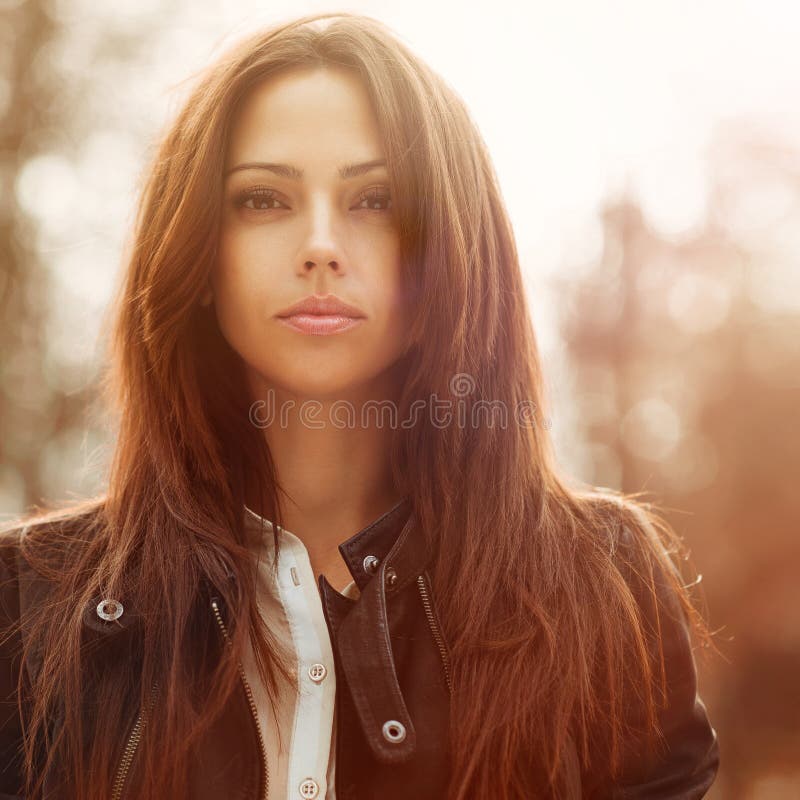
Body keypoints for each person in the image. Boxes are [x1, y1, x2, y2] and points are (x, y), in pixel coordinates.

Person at [0, 11, 720, 800]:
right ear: (199, 255)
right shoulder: (25, 607)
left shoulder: (603, 587)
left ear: (448, 251)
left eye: (374, 200)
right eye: (263, 200)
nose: (320, 244)